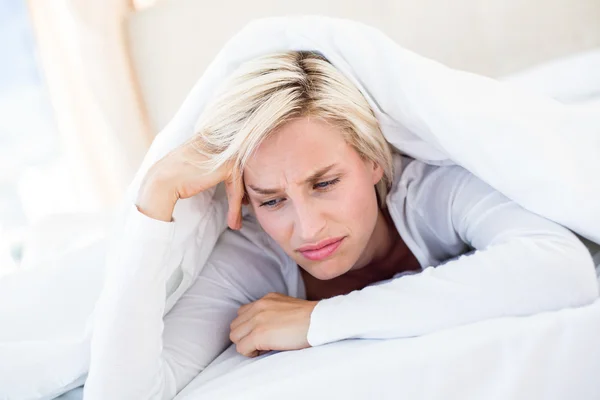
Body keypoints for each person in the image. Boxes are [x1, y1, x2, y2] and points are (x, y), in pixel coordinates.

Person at [83, 51, 597, 400]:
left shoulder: (431, 188)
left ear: (373, 160)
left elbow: (562, 269)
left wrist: (319, 321)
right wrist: (153, 198)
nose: (307, 229)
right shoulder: (250, 253)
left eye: (325, 183)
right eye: (272, 199)